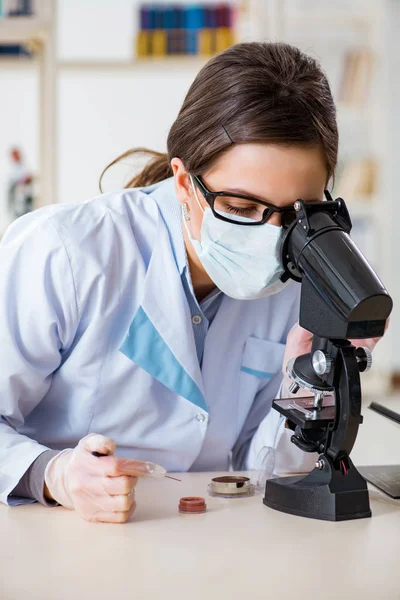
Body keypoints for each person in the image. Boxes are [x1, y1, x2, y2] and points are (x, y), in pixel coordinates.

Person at [0, 42, 382, 523]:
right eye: (242, 209)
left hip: (202, 542)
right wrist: (50, 475)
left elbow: (263, 473)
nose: (270, 238)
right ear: (184, 183)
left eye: (294, 215)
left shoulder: (297, 280)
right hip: (55, 537)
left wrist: (308, 382)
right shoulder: (66, 252)